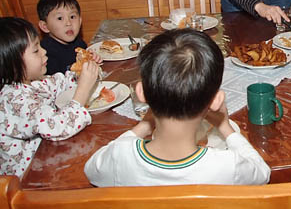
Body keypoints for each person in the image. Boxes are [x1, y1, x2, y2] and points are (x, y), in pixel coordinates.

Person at [84, 29, 271, 187]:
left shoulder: (119, 157)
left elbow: (91, 170)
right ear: (216, 101)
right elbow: (263, 173)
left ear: (141, 93)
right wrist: (225, 126)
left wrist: (144, 125)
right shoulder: (227, 166)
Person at [0, 17, 99, 178]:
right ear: (12, 63)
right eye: (36, 50)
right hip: (24, 183)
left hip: (45, 157)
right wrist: (83, 89)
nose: (44, 51)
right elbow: (58, 127)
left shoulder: (29, 82)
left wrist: (81, 71)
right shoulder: (13, 99)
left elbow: (57, 83)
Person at [37, 0, 97, 75]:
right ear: (45, 26)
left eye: (72, 17)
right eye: (60, 18)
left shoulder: (80, 44)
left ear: (80, 21)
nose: (68, 23)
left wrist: (93, 61)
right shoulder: (44, 54)